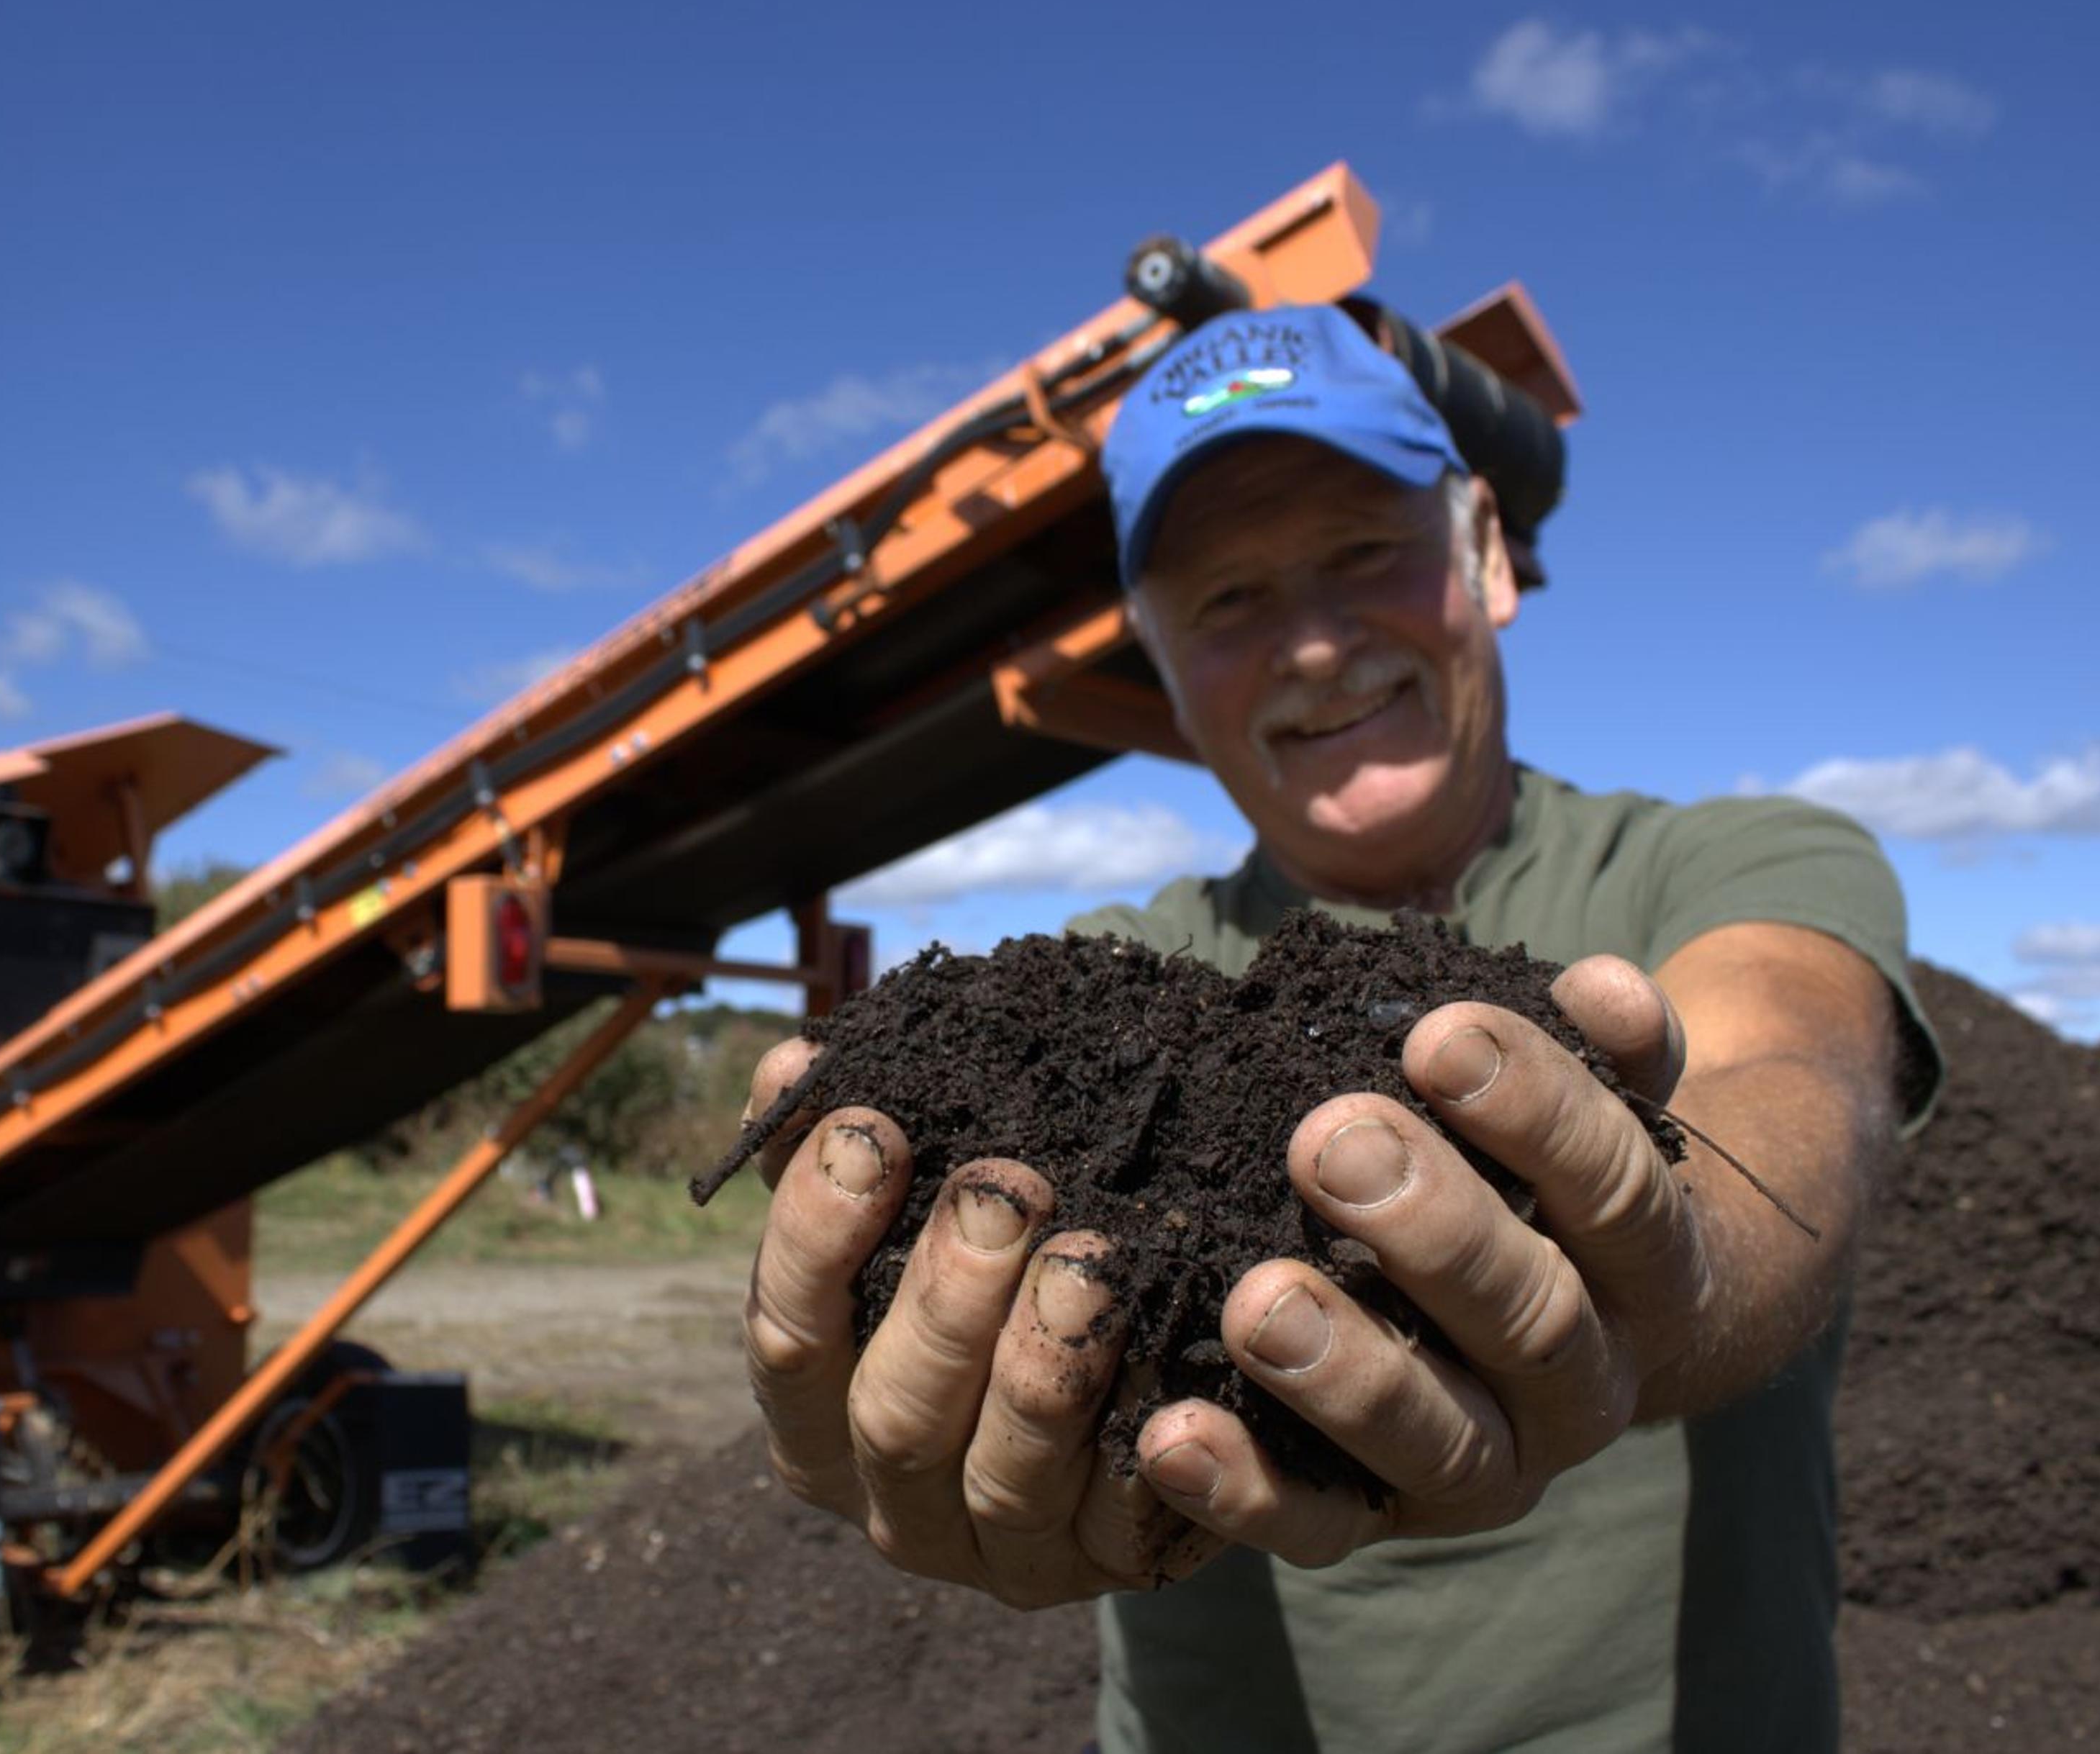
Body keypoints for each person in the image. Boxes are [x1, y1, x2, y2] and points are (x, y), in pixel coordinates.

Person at [733, 302, 1944, 1753]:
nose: (1312, 643)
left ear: (1486, 552)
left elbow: (1788, 1081)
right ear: (1160, 664)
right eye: (1227, 600)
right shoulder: (1111, 989)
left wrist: (1652, 1279)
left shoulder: (1724, 869)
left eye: (1365, 553)